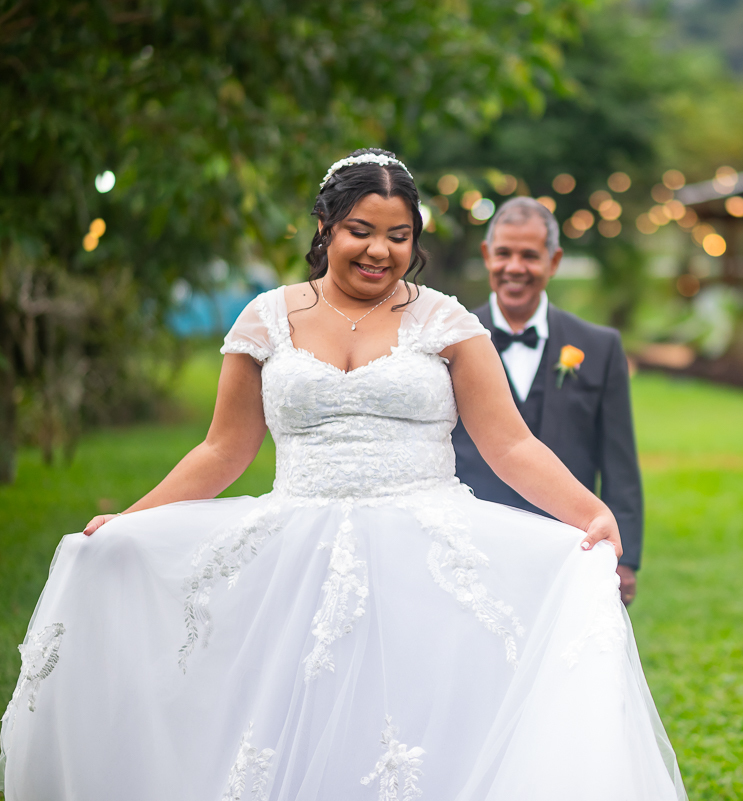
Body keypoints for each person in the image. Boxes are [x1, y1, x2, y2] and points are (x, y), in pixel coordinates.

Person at [0, 149, 687, 801]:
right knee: (287, 721)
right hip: (293, 559)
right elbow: (223, 450)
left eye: (398, 234)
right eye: (361, 230)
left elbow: (510, 443)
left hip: (425, 555)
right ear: (325, 226)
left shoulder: (445, 320)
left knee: (418, 726)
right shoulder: (267, 318)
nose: (379, 250)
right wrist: (131, 520)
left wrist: (591, 511)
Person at [452, 197, 644, 606]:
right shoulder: (449, 340)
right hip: (471, 539)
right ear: (487, 256)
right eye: (503, 253)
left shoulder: (600, 346)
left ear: (553, 261)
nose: (514, 267)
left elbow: (619, 461)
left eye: (529, 255)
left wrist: (627, 558)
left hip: (569, 545)